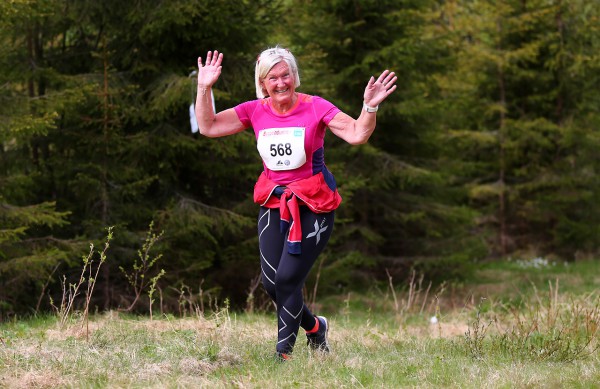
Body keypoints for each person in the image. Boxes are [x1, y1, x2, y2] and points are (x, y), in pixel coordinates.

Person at [195, 46, 397, 361]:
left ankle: (283, 356)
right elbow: (208, 126)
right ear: (262, 83)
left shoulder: (316, 107)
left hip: (314, 204)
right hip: (275, 201)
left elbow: (357, 134)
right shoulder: (254, 110)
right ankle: (315, 328)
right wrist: (205, 88)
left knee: (288, 279)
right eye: (272, 77)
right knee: (271, 284)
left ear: (294, 76)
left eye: (285, 75)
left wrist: (368, 109)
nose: (280, 83)